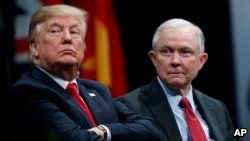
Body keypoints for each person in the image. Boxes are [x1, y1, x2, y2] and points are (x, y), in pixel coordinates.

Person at [9, 4, 161, 141]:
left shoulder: (98, 90)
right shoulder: (27, 91)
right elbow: (76, 138)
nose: (67, 38)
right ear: (35, 47)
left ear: (83, 48)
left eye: (74, 32)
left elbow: (151, 129)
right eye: (55, 31)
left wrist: (104, 131)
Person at [117, 18, 235, 141]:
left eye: (185, 52)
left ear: (201, 61)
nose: (175, 61)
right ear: (154, 59)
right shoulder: (129, 107)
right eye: (166, 52)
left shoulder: (218, 109)